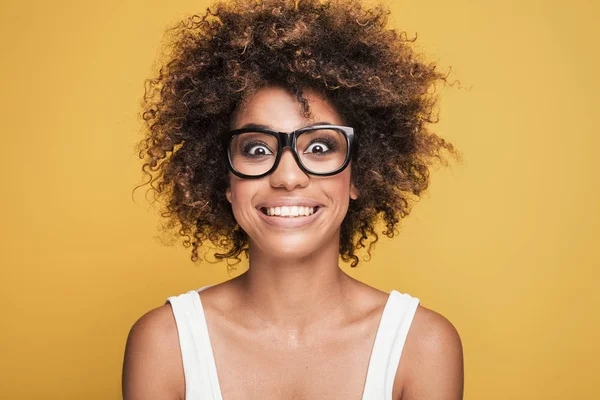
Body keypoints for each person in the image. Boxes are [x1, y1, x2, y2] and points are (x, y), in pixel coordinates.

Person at [122, 0, 464, 399]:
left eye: (319, 147)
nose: (287, 177)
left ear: (359, 171)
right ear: (226, 178)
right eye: (256, 149)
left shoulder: (422, 346)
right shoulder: (165, 344)